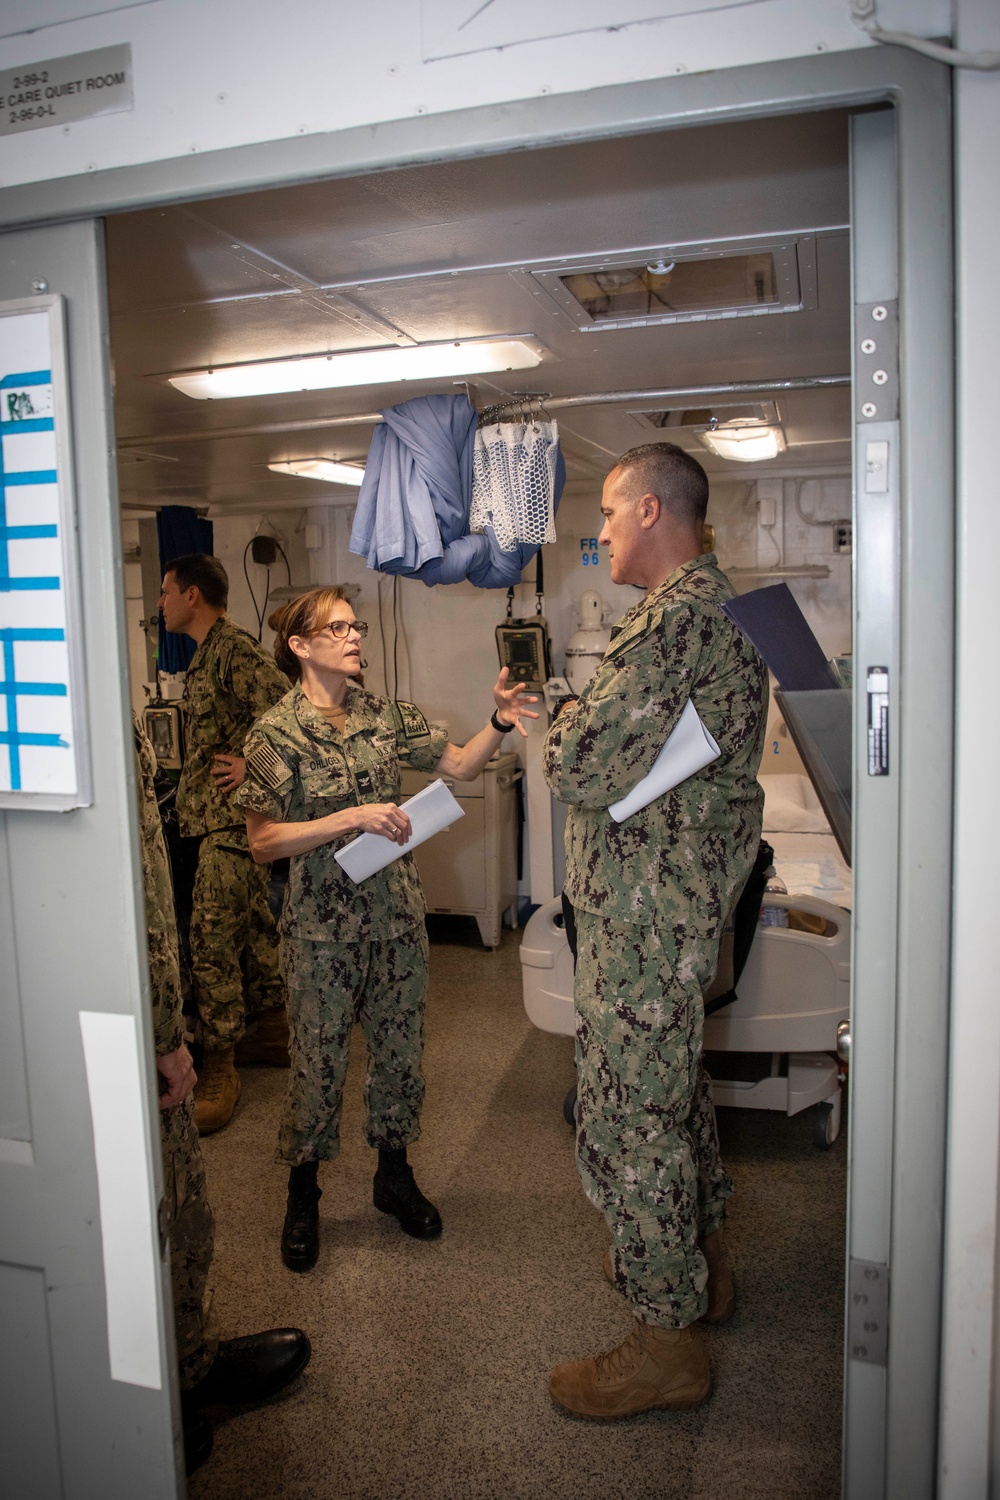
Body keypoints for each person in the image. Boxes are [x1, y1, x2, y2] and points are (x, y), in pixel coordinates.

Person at [542, 442, 767, 1419]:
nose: (597, 534)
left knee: (631, 1117)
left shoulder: (674, 622)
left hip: (643, 917)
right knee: (672, 1096)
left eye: (603, 513)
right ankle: (696, 1266)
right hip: (668, 908)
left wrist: (547, 722)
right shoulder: (728, 613)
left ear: (645, 511)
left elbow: (584, 764)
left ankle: (664, 1335)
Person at [235, 587, 537, 1270]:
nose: (353, 636)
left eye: (355, 625)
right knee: (318, 1067)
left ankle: (392, 1177)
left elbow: (459, 763)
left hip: (395, 924)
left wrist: (498, 718)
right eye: (336, 628)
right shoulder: (273, 734)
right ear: (300, 645)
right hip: (318, 934)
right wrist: (350, 817)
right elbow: (262, 842)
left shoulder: (383, 715)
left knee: (399, 1058)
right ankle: (303, 1192)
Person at [132, 712, 311, 1475]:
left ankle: (184, 1358)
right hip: (129, 1010)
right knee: (153, 1202)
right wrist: (169, 1030)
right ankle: (157, 1389)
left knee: (177, 1204)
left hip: (149, 998)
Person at [159, 553, 291, 1133]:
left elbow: (292, 711)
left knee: (209, 939)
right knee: (254, 927)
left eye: (165, 592)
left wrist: (252, 764)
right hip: (217, 821)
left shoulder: (233, 649)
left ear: (192, 595)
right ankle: (268, 1029)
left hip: (234, 823)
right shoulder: (206, 656)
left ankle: (218, 1065)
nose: (159, 603)